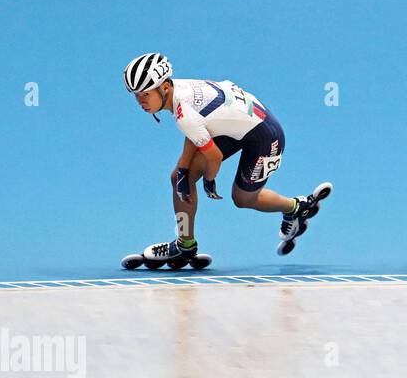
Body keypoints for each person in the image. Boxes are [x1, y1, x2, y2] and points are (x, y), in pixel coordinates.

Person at [122, 52, 331, 263]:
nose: (140, 101)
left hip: (265, 137)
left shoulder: (185, 113)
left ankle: (297, 207)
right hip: (236, 124)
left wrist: (209, 180)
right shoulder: (180, 89)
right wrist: (183, 167)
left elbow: (214, 155)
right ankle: (184, 245)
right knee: (179, 178)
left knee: (242, 199)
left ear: (164, 87)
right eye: (136, 95)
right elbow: (196, 131)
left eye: (145, 94)